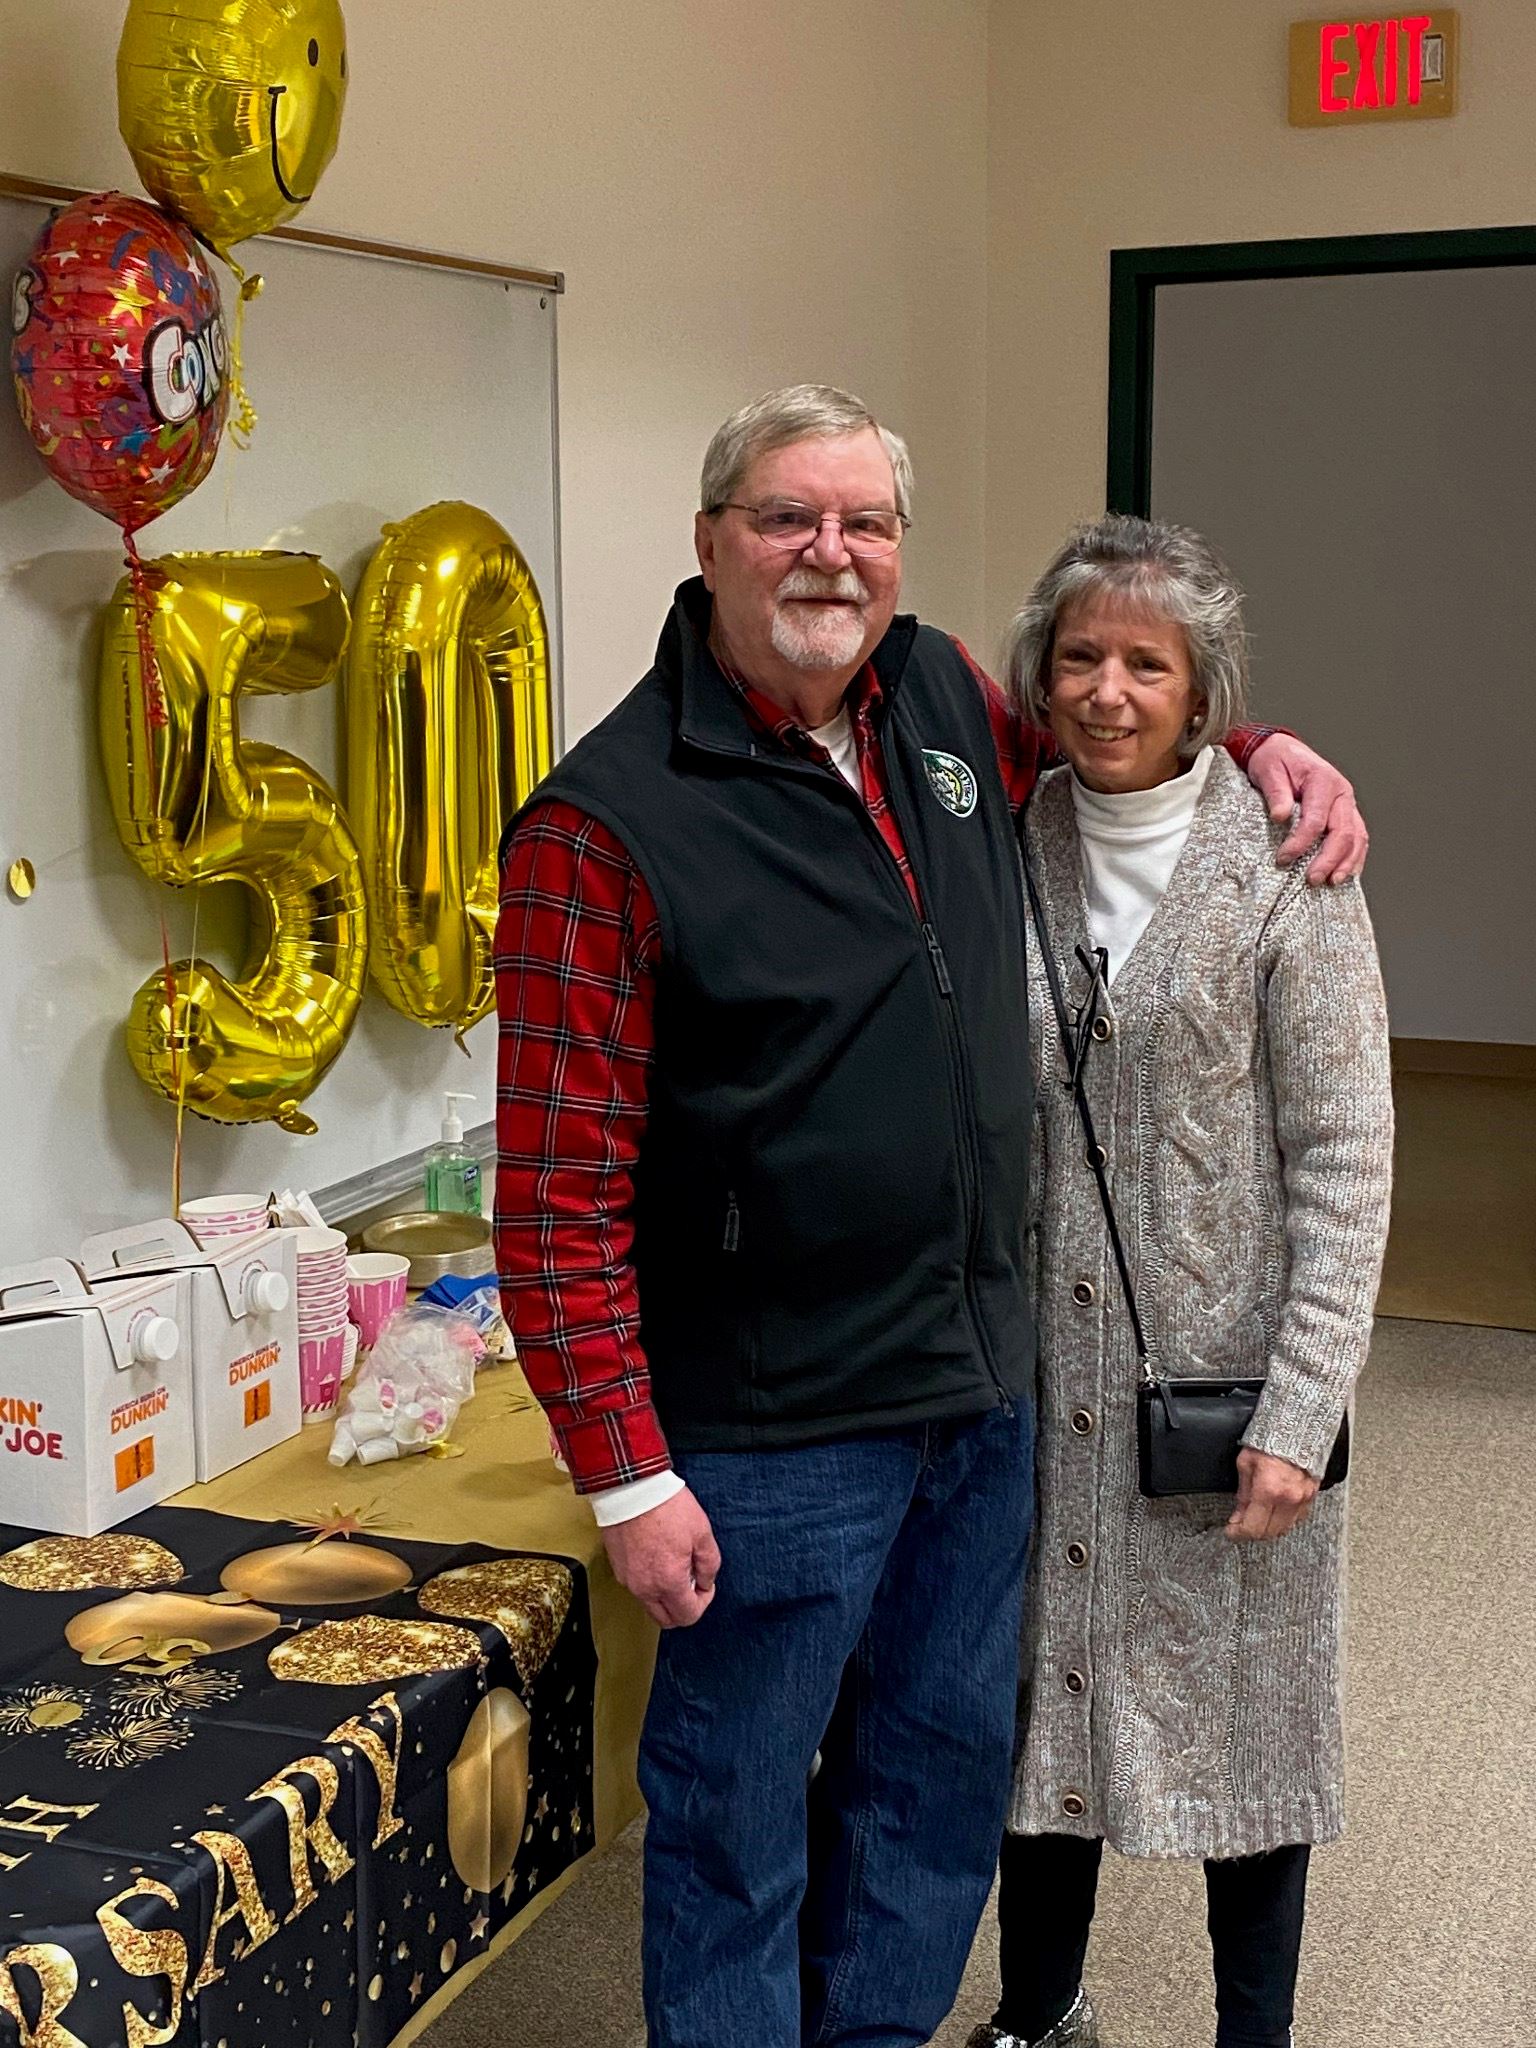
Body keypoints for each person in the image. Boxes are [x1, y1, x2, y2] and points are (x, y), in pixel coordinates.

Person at [492, 387, 1366, 2048]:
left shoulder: (945, 701)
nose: (832, 554)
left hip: (979, 1408)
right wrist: (625, 1466)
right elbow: (549, 1194)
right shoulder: (605, 826)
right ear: (710, 543)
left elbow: (1130, 727)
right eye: (786, 519)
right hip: (775, 1432)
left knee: (934, 1790)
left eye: (867, 523)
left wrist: (1261, 744)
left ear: (899, 551)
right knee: (738, 1824)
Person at [966, 515, 1393, 2048]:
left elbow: (1347, 1156)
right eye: (1080, 655)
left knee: (1249, 1731)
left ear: (1203, 689)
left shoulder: (1290, 864)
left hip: (1227, 1395)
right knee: (1047, 1719)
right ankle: (1035, 2014)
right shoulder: (1004, 845)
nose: (1108, 689)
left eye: (1147, 661)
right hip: (1043, 1392)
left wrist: (1302, 1407)